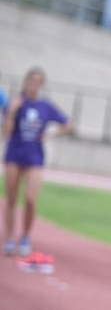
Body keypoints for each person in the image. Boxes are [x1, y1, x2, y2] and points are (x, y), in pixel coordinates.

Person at [3, 67, 73, 257]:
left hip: (35, 157)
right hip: (14, 154)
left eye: (37, 81)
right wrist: (11, 112)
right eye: (30, 80)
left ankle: (25, 235)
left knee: (30, 199)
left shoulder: (45, 106)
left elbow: (68, 124)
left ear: (41, 84)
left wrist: (52, 133)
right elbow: (5, 133)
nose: (33, 84)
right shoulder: (17, 103)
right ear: (25, 82)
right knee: (11, 197)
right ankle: (9, 237)